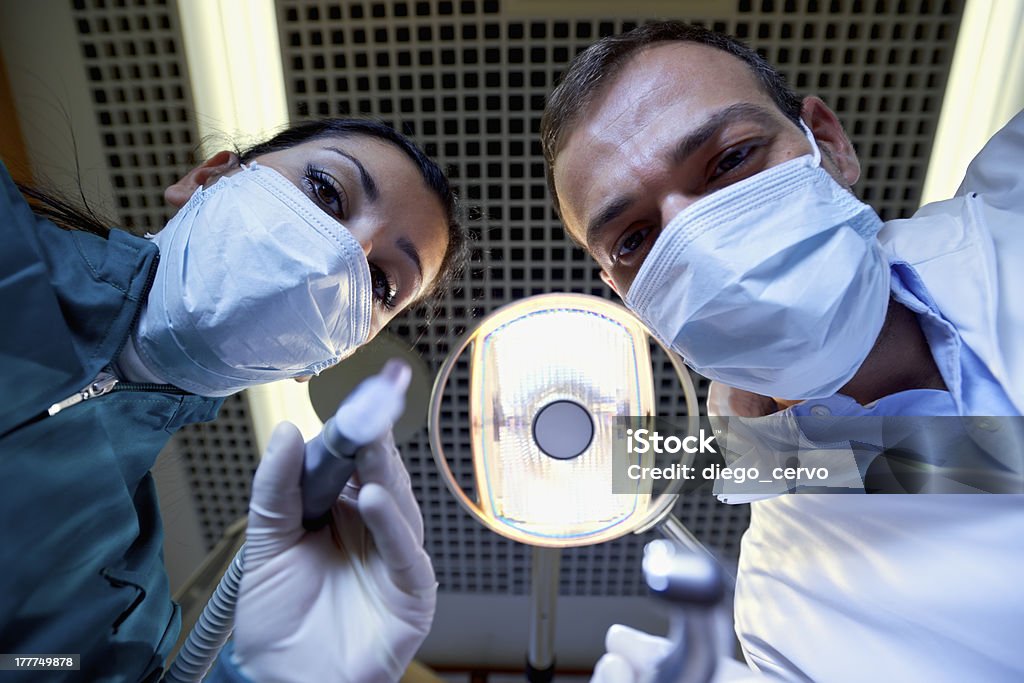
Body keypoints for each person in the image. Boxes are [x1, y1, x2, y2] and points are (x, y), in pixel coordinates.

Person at [540, 21, 1024, 682]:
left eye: (730, 160)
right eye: (634, 239)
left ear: (828, 143)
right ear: (630, 298)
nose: (699, 242)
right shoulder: (786, 617)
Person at [0, 118, 466, 681]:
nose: (336, 258)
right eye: (326, 191)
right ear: (206, 178)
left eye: (379, 282)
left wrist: (270, 673)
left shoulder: (117, 602)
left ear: (335, 354)